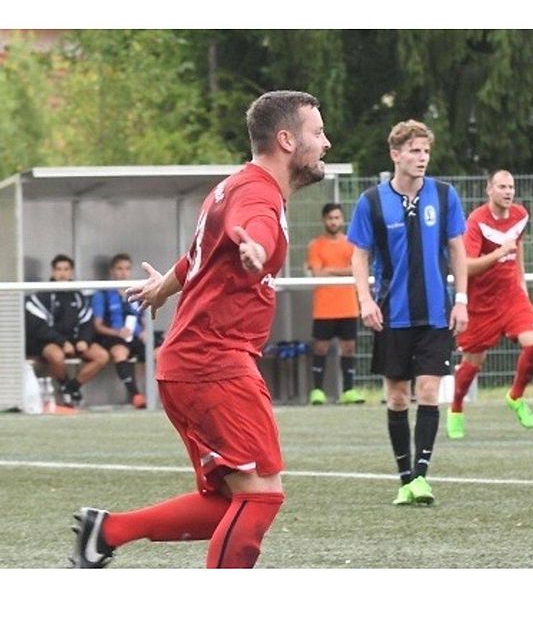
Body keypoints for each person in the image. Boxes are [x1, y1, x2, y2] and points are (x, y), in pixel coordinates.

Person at [70, 90, 332, 568]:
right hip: (213, 362)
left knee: (232, 500)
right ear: (287, 140)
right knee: (260, 497)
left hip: (195, 363)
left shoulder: (233, 186)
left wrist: (162, 290)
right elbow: (250, 228)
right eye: (317, 133)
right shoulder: (257, 196)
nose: (327, 142)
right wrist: (257, 242)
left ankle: (107, 531)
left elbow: (198, 256)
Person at [348, 119, 468, 506]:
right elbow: (359, 255)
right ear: (395, 154)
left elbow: (457, 250)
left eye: (426, 151)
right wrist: (365, 300)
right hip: (391, 313)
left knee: (430, 390)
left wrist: (462, 299)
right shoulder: (371, 201)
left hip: (436, 313)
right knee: (397, 397)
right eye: (414, 151)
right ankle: (404, 479)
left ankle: (421, 477)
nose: (421, 158)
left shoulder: (445, 196)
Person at [447, 170, 533, 439]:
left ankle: (515, 396)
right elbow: (466, 265)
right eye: (502, 186)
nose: (508, 191)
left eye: (511, 186)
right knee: (472, 362)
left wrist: (522, 282)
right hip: (482, 300)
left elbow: (517, 245)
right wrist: (499, 253)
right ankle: (455, 409)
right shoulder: (477, 221)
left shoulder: (520, 215)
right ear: (489, 190)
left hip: (511, 295)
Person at [24, 254, 109, 407]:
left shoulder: (78, 296)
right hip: (49, 342)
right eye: (59, 269)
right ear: (52, 271)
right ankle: (64, 385)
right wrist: (62, 342)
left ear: (71, 272)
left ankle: (72, 387)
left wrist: (84, 340)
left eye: (66, 269)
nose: (62, 273)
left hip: (74, 341)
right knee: (56, 355)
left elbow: (86, 322)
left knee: (102, 356)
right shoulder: (42, 295)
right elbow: (38, 328)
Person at [305, 202, 364, 405]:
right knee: (320, 348)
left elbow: (356, 269)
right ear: (324, 220)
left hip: (348, 305)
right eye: (330, 218)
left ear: (342, 219)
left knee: (348, 348)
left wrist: (331, 269)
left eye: (337, 218)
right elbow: (318, 273)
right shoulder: (316, 245)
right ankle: (318, 391)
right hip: (324, 307)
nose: (334, 221)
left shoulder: (351, 243)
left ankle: (349, 390)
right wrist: (341, 269)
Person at [92, 253, 148, 408]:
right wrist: (117, 333)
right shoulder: (102, 293)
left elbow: (143, 318)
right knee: (119, 352)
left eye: (127, 268)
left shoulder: (138, 292)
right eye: (119, 268)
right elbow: (97, 325)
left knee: (159, 352)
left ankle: (160, 396)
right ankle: (135, 395)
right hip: (114, 336)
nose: (124, 272)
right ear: (112, 271)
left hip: (136, 336)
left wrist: (144, 332)